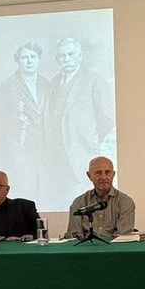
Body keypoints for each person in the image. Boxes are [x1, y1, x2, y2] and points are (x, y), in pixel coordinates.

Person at [65, 156, 135, 289]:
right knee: (72, 282)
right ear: (89, 176)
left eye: (107, 172)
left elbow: (123, 236)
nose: (103, 177)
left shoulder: (125, 201)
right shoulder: (79, 202)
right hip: (84, 260)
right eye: (98, 173)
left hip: (114, 260)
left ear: (113, 174)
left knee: (108, 284)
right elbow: (73, 235)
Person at [45, 38, 117, 206]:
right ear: (57, 59)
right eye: (62, 56)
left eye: (71, 54)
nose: (66, 59)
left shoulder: (94, 80)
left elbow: (107, 117)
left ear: (80, 56)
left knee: (85, 201)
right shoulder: (54, 82)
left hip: (81, 151)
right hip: (57, 154)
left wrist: (91, 137)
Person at [0, 41, 50, 198]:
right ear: (18, 60)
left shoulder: (46, 85)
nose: (29, 61)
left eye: (33, 56)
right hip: (19, 149)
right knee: (25, 188)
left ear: (39, 59)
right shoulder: (8, 86)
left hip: (44, 148)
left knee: (45, 189)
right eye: (24, 57)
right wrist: (15, 138)